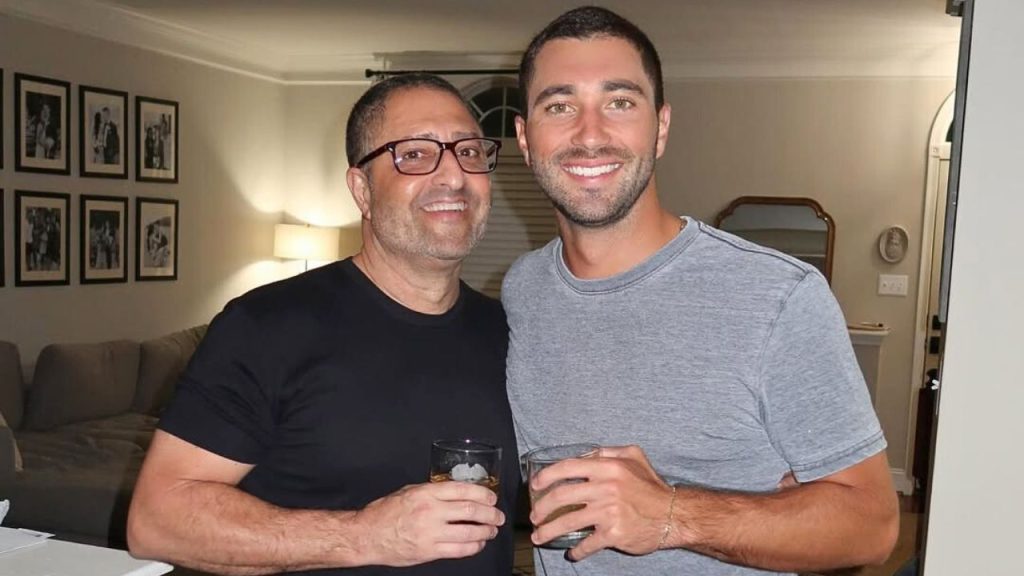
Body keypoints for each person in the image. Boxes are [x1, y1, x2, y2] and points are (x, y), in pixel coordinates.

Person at [504, 6, 899, 575]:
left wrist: (671, 515)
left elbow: (874, 526)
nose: (589, 135)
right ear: (524, 136)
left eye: (619, 102)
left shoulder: (778, 297)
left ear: (660, 126)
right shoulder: (523, 289)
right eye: (559, 105)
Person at [127, 73, 517, 576]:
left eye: (469, 152)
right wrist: (364, 535)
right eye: (415, 154)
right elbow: (157, 520)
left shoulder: (509, 334)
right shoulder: (267, 326)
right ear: (362, 189)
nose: (453, 176)